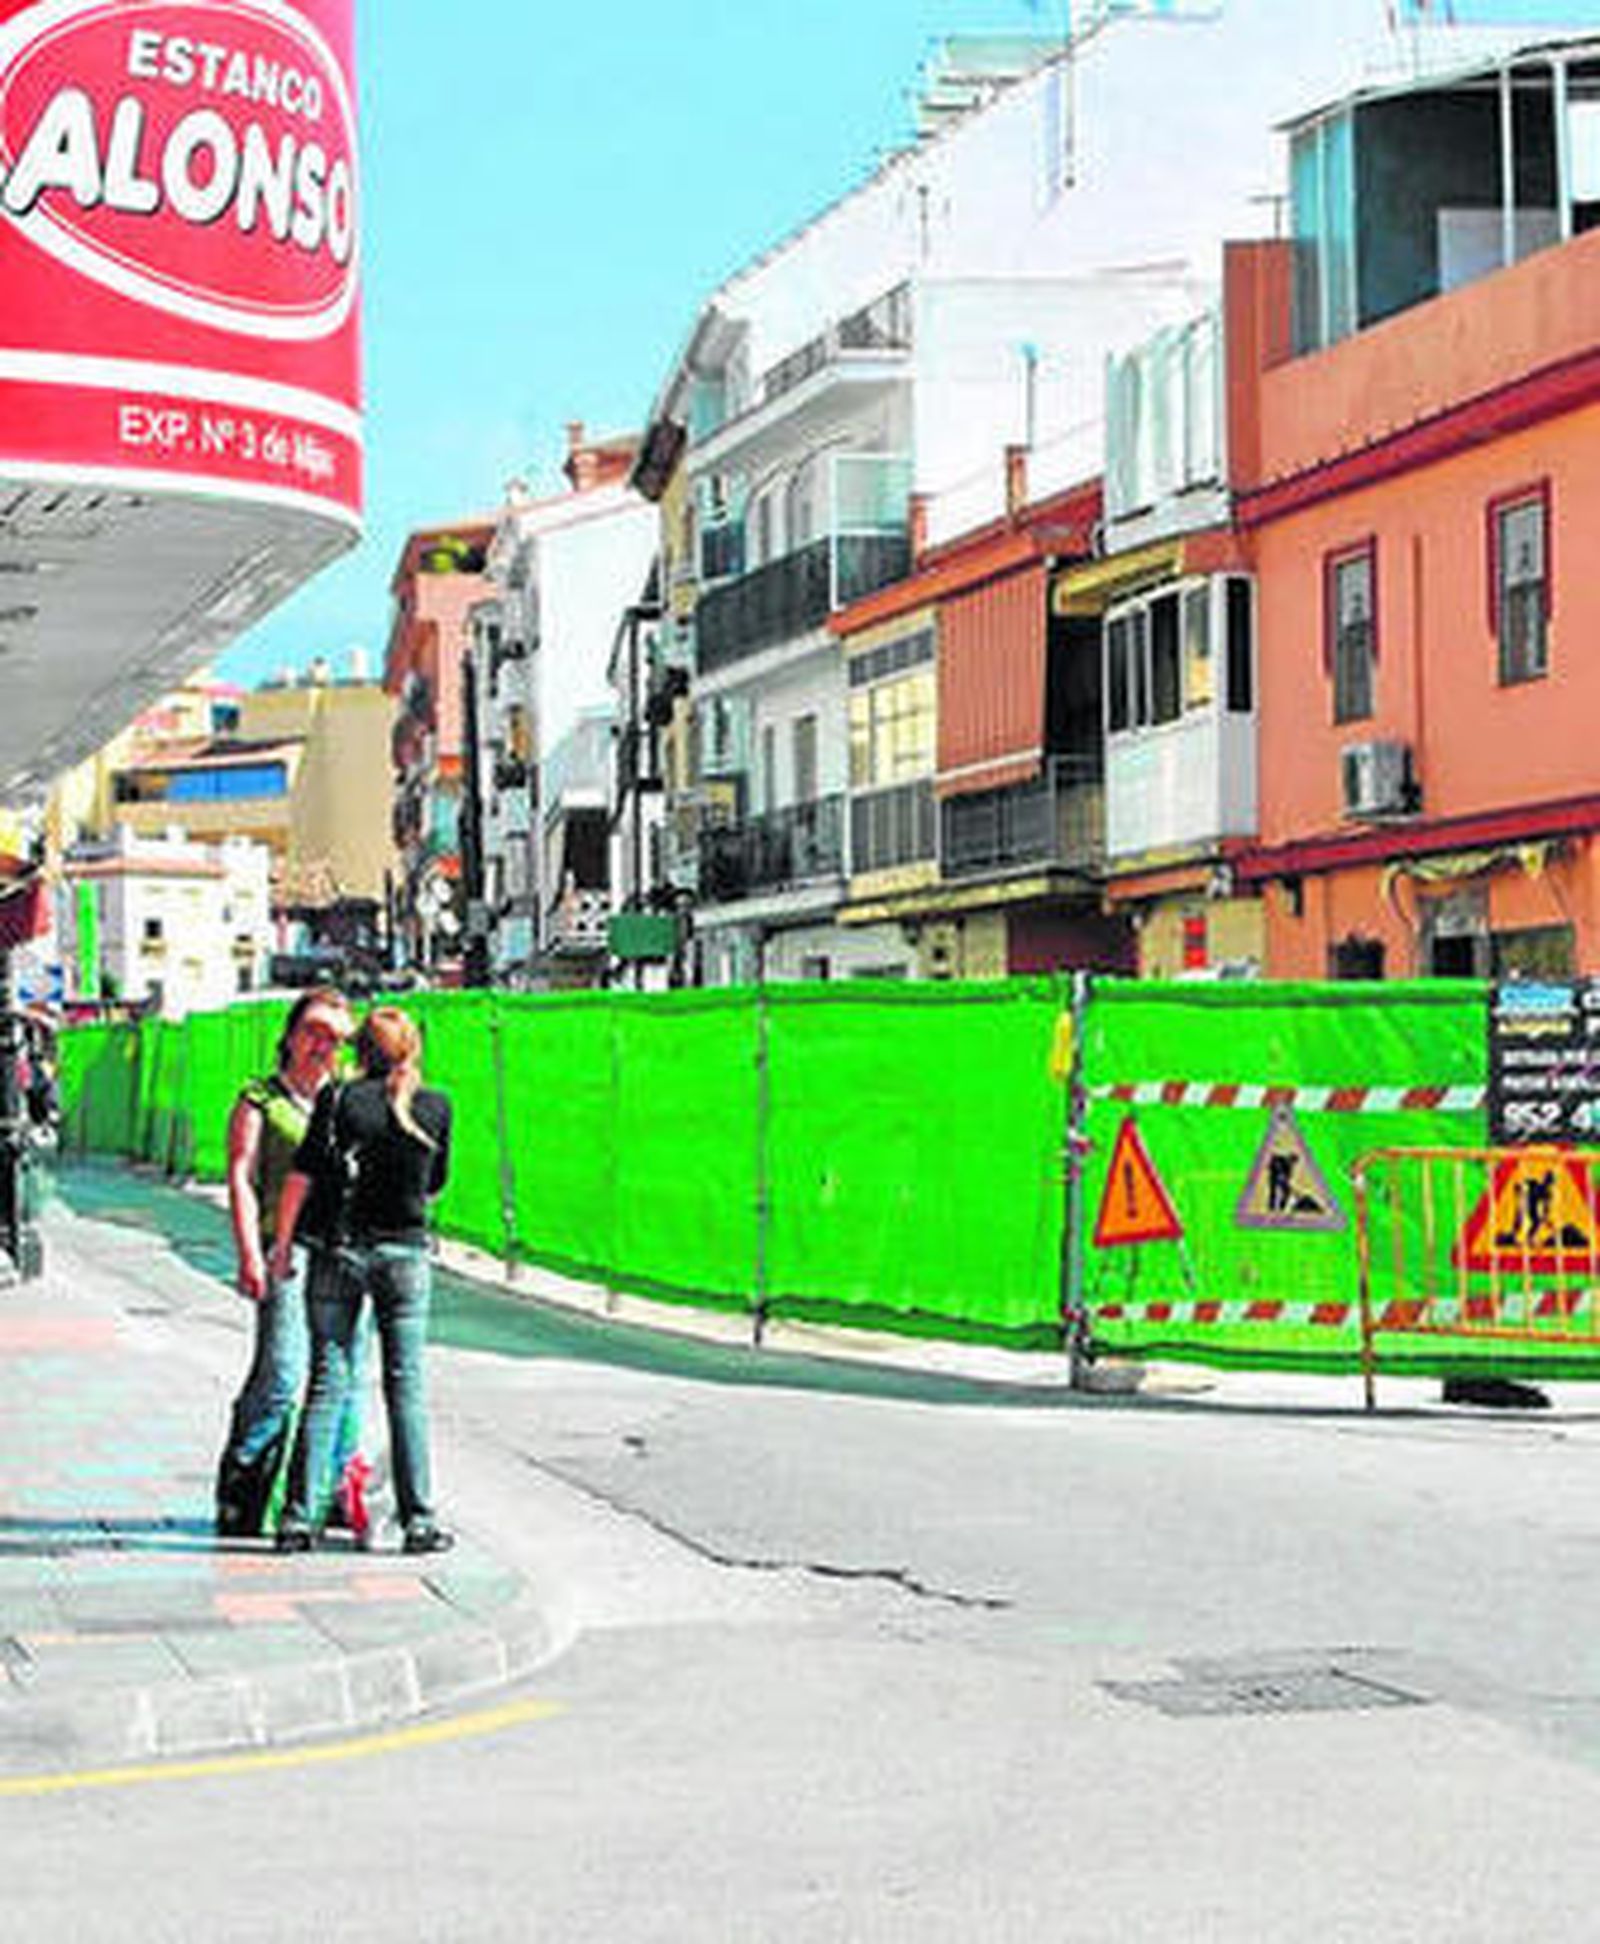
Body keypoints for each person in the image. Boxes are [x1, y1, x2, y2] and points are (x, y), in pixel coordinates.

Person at [271, 1006, 454, 1554]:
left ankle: (298, 1520)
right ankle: (419, 1519)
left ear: (361, 1050)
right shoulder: (436, 1106)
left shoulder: (336, 1100)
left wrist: (282, 1247)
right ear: (412, 1050)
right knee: (407, 1387)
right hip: (405, 1254)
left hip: (339, 1251)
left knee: (328, 1381)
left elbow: (304, 1174)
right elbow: (435, 1182)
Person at [214, 987, 368, 1539]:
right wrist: (250, 1252)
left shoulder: (351, 1099)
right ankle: (242, 1489)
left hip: (344, 1252)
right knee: (281, 1373)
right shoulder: (260, 1099)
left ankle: (330, 1496)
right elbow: (241, 1176)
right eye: (313, 1031)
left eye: (334, 1037)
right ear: (290, 1034)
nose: (322, 1045)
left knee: (345, 1379)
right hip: (285, 1251)